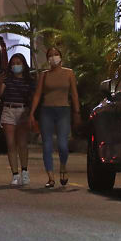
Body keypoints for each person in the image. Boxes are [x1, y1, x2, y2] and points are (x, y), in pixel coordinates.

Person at [29, 46, 80, 188]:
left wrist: (77, 112)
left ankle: (63, 166)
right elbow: (38, 94)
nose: (53, 57)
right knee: (47, 145)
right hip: (47, 111)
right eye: (50, 55)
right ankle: (50, 177)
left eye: (56, 54)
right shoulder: (44, 75)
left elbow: (74, 94)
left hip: (63, 110)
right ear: (47, 59)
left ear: (61, 57)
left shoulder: (69, 73)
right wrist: (32, 113)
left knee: (63, 144)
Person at [0, 53, 36, 186]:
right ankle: (15, 174)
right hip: (9, 110)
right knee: (11, 143)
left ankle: (24, 171)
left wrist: (32, 114)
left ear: (23, 65)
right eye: (13, 63)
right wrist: (0, 81)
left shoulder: (29, 81)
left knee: (22, 143)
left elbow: (33, 98)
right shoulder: (7, 80)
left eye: (18, 63)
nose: (15, 65)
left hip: (23, 111)